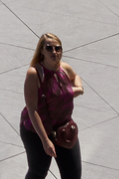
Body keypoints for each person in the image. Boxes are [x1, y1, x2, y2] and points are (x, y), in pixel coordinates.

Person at [19, 32, 82, 179]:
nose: (54, 52)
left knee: (73, 175)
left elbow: (76, 77)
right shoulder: (34, 73)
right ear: (41, 50)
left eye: (57, 48)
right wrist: (45, 141)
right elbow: (32, 110)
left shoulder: (65, 69)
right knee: (38, 172)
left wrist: (78, 89)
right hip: (36, 132)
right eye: (49, 48)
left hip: (63, 129)